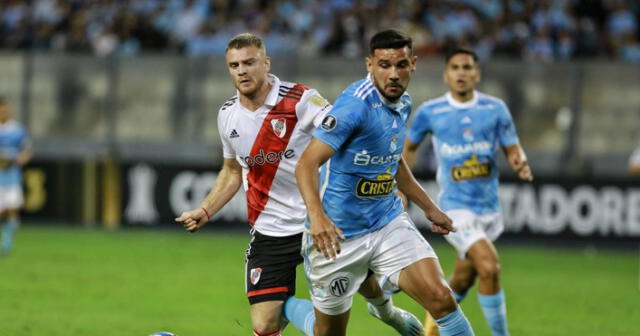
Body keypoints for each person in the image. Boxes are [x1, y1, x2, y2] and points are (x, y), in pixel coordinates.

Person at [174, 33, 424, 336]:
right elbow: (231, 170)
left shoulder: (301, 100)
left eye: (249, 62)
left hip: (321, 218)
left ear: (265, 64)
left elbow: (349, 139)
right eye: (234, 65)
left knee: (366, 285)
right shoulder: (227, 115)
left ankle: (388, 313)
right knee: (265, 324)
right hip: (272, 228)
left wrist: (384, 181)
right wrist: (206, 208)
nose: (242, 70)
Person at [295, 29, 475, 336]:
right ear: (369, 65)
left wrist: (429, 207)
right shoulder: (354, 107)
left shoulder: (402, 102)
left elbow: (391, 159)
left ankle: (383, 306)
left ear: (413, 64)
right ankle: (289, 305)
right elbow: (306, 165)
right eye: (384, 65)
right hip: (338, 235)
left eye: (401, 65)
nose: (393, 74)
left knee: (441, 299)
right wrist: (317, 218)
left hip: (386, 221)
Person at [404, 48, 534, 336]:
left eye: (466, 67)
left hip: (488, 208)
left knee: (463, 279)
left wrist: (519, 160)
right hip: (455, 208)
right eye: (455, 67)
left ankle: (432, 328)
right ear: (446, 74)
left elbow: (512, 146)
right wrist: (402, 188)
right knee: (489, 267)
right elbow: (408, 149)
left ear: (476, 74)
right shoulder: (431, 111)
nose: (461, 72)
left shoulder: (495, 108)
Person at [0, 97, 33, 256]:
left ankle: (6, 244)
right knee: (2, 212)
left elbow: (27, 150)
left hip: (12, 176)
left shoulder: (17, 130)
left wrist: (20, 159)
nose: (3, 112)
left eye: (5, 109)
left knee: (12, 210)